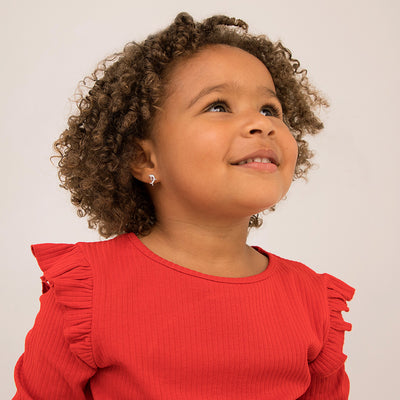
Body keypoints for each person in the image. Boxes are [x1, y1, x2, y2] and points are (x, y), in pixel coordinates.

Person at [12, 12, 354, 399]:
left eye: (269, 109)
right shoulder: (88, 290)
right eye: (218, 106)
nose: (262, 124)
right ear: (145, 159)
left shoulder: (312, 301)